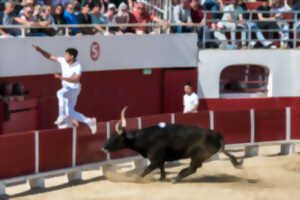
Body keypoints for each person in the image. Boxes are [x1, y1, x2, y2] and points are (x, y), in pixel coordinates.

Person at [32, 45, 97, 134]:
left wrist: (61, 78)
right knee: (70, 111)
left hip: (74, 89)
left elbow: (76, 79)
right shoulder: (63, 60)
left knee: (59, 93)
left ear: (72, 56)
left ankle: (61, 116)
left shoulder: (78, 66)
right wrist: (40, 50)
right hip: (67, 89)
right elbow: (50, 56)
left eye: (66, 54)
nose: (64, 56)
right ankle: (90, 121)